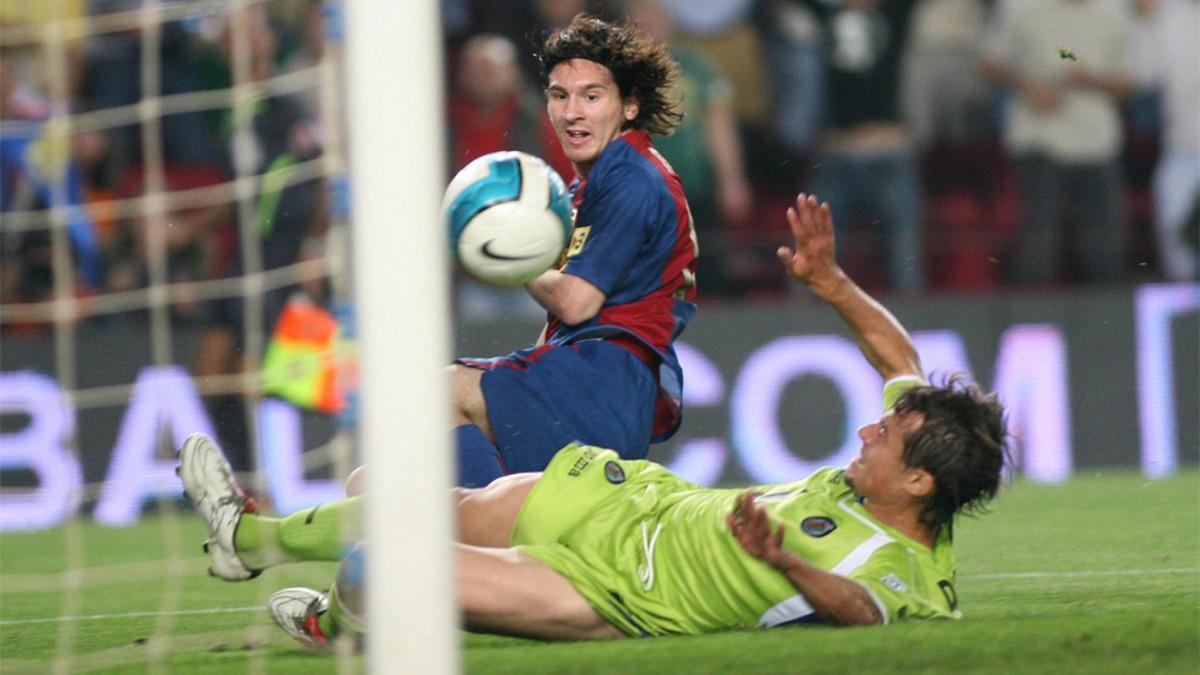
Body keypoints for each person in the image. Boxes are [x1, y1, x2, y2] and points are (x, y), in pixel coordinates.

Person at [178, 192, 1010, 647]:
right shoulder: (898, 469)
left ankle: (337, 614)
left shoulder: (903, 572)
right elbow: (895, 357)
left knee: (378, 563)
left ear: (918, 480)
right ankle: (243, 539)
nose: (868, 429)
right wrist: (830, 283)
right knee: (395, 496)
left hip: (613, 591)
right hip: (627, 502)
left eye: (886, 438)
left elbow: (860, 613)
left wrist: (787, 558)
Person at [446, 14, 699, 487]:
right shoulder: (591, 185)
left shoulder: (632, 178)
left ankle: (489, 539)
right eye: (559, 96)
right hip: (589, 375)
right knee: (390, 472)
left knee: (440, 396)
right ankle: (493, 536)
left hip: (605, 379)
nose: (571, 112)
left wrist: (512, 252)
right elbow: (563, 318)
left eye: (591, 96)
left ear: (629, 106)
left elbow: (576, 301)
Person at [980, 0, 1134, 286]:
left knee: (1103, 248)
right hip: (1040, 139)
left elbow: (1129, 83)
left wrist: (1090, 80)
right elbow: (989, 61)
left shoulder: (1114, 10)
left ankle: (1106, 323)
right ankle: (1031, 318)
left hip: (1097, 142)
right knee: (1039, 242)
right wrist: (1029, 88)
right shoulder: (1019, 6)